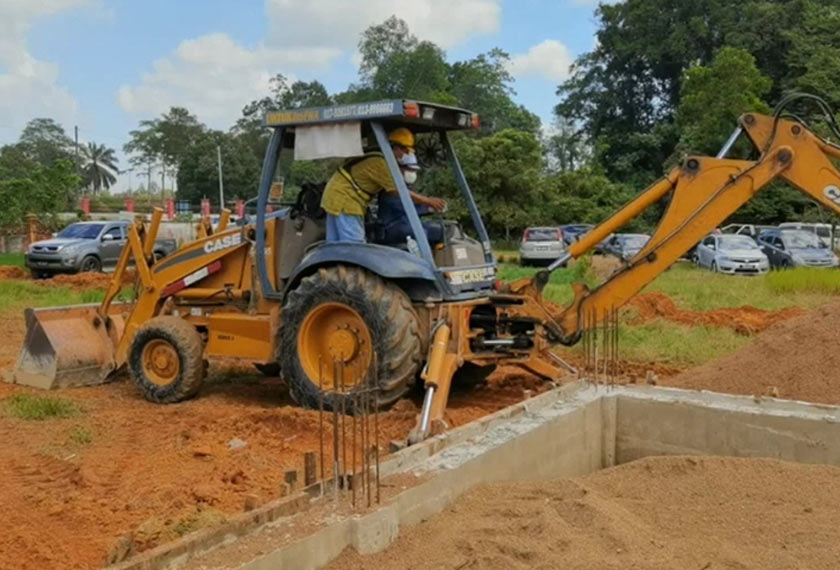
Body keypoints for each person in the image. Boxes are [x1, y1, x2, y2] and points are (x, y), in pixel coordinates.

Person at [320, 128, 446, 242]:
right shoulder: (381, 164)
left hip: (335, 196)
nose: (405, 155)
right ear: (394, 147)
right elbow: (397, 192)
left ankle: (335, 261)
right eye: (404, 151)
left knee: (335, 245)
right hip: (346, 200)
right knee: (354, 246)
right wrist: (428, 202)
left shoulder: (379, 158)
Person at [376, 153, 444, 246]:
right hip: (391, 227)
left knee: (439, 232)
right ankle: (424, 254)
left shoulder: (406, 186)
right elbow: (405, 207)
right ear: (398, 169)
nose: (412, 173)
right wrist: (427, 208)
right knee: (421, 233)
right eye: (409, 170)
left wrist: (432, 207)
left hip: (406, 223)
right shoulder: (392, 189)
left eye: (414, 171)